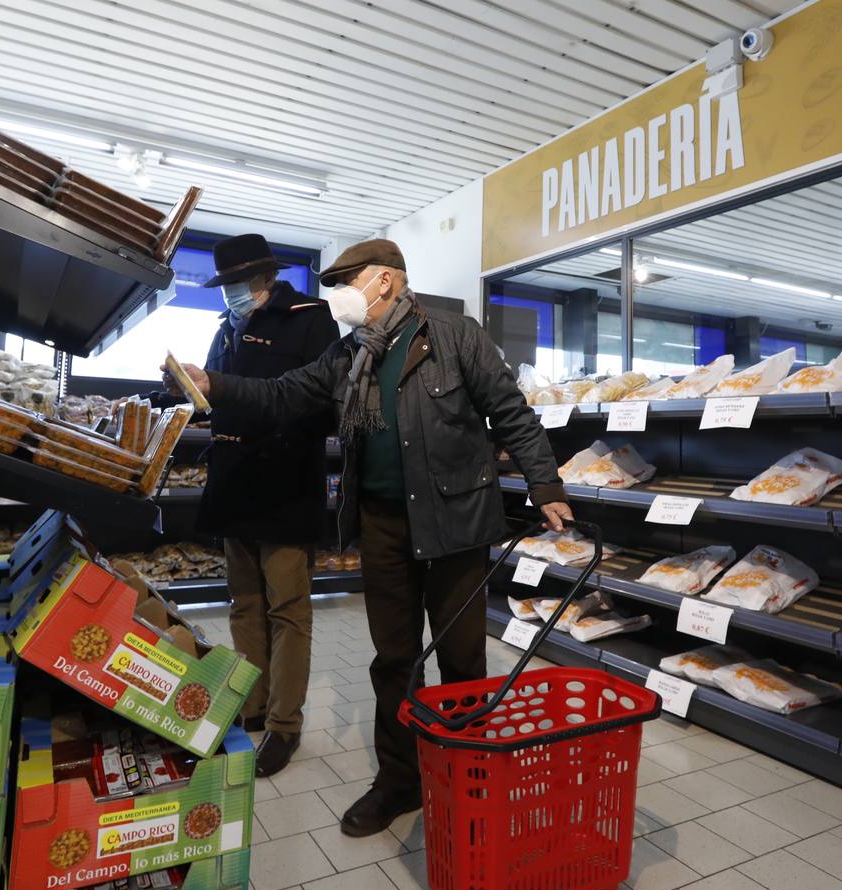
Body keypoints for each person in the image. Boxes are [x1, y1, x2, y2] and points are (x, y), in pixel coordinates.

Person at [163, 238, 572, 836]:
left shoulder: (456, 335)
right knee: (395, 661)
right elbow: (283, 394)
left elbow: (512, 413)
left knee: (462, 661)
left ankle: (469, 775)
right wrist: (213, 384)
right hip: (381, 522)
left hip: (456, 521)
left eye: (347, 283)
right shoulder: (349, 353)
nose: (338, 297)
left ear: (385, 281)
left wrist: (547, 485)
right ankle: (400, 781)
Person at [194, 233, 339, 777]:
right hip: (233, 481)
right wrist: (184, 392)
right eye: (224, 284)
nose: (228, 294)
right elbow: (215, 393)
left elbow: (321, 402)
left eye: (235, 283)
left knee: (287, 609)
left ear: (263, 279)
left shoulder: (309, 318)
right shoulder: (224, 329)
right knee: (244, 603)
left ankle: (284, 725)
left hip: (283, 481)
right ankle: (251, 706)